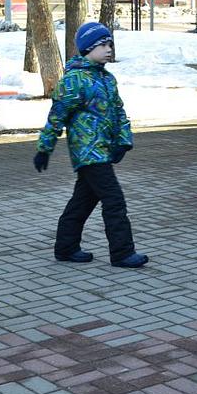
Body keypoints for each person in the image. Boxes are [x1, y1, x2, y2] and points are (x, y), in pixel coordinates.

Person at [34, 22, 147, 268]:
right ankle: (122, 253)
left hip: (104, 149)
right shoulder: (74, 80)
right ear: (87, 48)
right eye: (102, 45)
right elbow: (57, 116)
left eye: (110, 44)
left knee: (83, 201)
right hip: (87, 151)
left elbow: (118, 111)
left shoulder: (107, 79)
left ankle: (66, 247)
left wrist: (123, 142)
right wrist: (44, 148)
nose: (109, 49)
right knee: (114, 199)